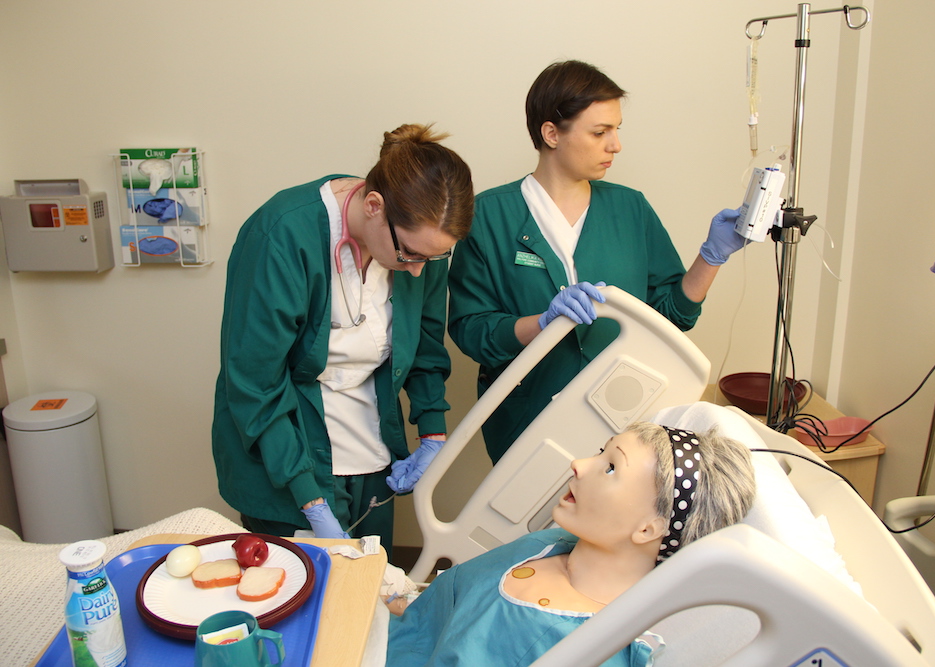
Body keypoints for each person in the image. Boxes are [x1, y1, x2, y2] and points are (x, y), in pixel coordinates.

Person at [449, 60, 746, 463]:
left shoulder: (630, 209)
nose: (615, 145)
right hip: (527, 426)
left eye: (616, 129)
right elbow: (471, 330)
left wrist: (711, 258)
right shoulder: (488, 216)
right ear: (551, 134)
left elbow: (670, 318)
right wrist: (540, 325)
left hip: (625, 425)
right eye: (600, 132)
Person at [212, 124, 474, 555]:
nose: (417, 272)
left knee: (367, 590)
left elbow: (425, 345)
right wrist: (311, 500)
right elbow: (255, 382)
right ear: (374, 205)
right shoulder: (280, 235)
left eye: (433, 258)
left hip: (370, 450)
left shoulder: (420, 248)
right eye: (410, 254)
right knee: (303, 595)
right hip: (284, 448)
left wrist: (432, 433)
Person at [386, 421, 757, 666]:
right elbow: (447, 606)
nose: (579, 464)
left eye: (611, 467)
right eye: (601, 452)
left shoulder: (590, 648)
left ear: (649, 529)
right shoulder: (551, 542)